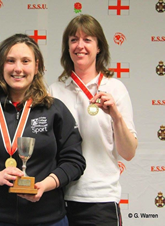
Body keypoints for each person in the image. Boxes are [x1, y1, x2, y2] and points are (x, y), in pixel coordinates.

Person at [0, 33, 86, 226]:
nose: (18, 68)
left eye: (25, 61)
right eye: (10, 61)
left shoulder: (54, 109)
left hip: (48, 218)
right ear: (1, 66)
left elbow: (74, 161)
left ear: (36, 66)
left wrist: (44, 185)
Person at [49, 14, 138, 226]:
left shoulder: (115, 88)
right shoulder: (54, 91)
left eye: (87, 39)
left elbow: (128, 153)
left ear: (99, 47)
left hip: (100, 200)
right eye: (73, 40)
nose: (80, 46)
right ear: (67, 47)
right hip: (60, 197)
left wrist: (115, 115)